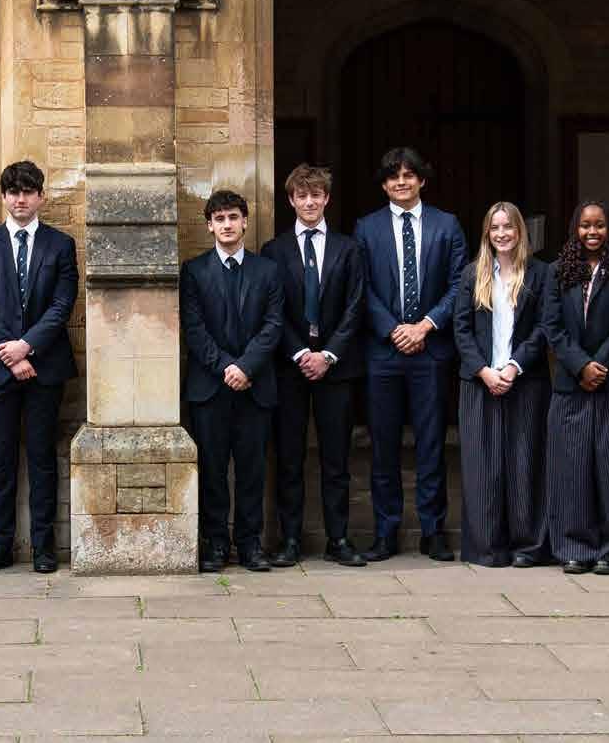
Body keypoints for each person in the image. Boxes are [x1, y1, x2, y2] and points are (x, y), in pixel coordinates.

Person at [353, 148, 468, 562]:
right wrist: (393, 329)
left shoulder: (446, 225)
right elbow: (361, 287)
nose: (401, 182)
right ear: (384, 184)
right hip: (384, 353)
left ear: (422, 180)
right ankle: (386, 531)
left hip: (430, 350)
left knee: (431, 445)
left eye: (408, 175)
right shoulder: (366, 228)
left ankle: (433, 530)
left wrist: (425, 326)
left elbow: (460, 284)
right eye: (393, 176)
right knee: (383, 446)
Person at [0, 161, 78, 574]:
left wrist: (27, 347)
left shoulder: (60, 245)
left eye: (28, 192)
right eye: (13, 192)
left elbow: (62, 304)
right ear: (3, 197)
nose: (20, 199)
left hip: (45, 366)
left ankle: (43, 546)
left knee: (42, 455)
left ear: (41, 197)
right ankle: (1, 545)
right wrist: (11, 354)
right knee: (2, 456)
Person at [260, 164, 368, 567]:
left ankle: (338, 538)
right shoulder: (274, 251)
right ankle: (290, 539)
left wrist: (328, 354)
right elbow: (273, 310)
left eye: (316, 195)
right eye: (302, 196)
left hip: (337, 368)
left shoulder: (348, 249)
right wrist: (300, 353)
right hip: (290, 368)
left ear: (327, 199)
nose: (309, 202)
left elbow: (356, 306)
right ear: (291, 200)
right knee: (289, 457)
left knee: (336, 459)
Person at [182, 190, 286, 572]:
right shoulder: (194, 271)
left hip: (255, 387)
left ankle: (250, 544)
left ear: (245, 222)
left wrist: (246, 368)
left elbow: (273, 326)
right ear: (209, 225)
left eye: (233, 217)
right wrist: (227, 367)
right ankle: (215, 543)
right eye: (219, 219)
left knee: (252, 471)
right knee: (212, 470)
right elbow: (194, 329)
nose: (227, 225)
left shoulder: (268, 271)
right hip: (210, 388)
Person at [544, 202, 609, 574]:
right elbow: (552, 325)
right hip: (571, 385)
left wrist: (599, 364)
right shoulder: (557, 271)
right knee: (572, 468)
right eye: (586, 225)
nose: (592, 232)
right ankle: (575, 547)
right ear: (575, 229)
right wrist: (580, 365)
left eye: (600, 225)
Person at [450, 202, 550, 568]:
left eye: (508, 227)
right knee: (483, 468)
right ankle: (487, 547)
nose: (502, 234)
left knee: (524, 464)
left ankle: (528, 546)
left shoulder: (540, 274)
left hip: (525, 381)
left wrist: (513, 366)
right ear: (486, 233)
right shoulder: (472, 274)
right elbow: (461, 329)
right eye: (495, 228)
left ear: (520, 231)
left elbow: (544, 327)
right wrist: (484, 371)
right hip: (480, 383)